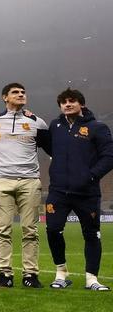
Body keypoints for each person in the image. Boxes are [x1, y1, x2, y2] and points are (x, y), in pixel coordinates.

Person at [43, 88, 113, 291]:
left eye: (72, 101)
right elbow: (50, 148)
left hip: (87, 192)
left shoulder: (97, 127)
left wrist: (90, 176)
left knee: (91, 235)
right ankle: (61, 274)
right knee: (53, 230)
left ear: (81, 104)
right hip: (57, 191)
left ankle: (92, 279)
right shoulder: (55, 126)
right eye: (63, 102)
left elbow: (109, 156)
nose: (67, 104)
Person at [0, 83, 50, 288]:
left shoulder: (37, 122)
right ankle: (4, 275)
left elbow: (52, 149)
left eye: (23, 92)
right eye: (15, 92)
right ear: (5, 97)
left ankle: (30, 275)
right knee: (2, 229)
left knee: (30, 230)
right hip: (1, 180)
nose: (21, 94)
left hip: (29, 181)